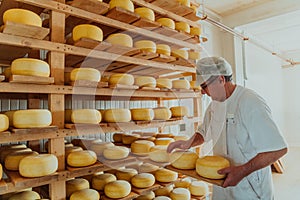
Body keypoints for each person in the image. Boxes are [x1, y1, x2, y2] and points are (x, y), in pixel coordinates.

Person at [167, 56, 288, 200]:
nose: (202, 92)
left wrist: (242, 171)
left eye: (204, 86)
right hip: (222, 185)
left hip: (249, 189)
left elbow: (278, 149)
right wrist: (188, 143)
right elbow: (204, 133)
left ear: (221, 79)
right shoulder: (214, 106)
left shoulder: (250, 102)